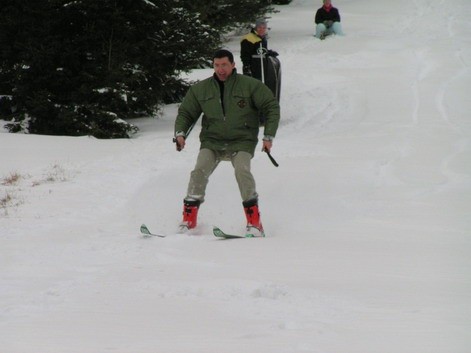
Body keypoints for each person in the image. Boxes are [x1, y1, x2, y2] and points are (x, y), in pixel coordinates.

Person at [174, 49, 280, 236]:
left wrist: (268, 136)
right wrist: (180, 133)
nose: (220, 69)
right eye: (216, 65)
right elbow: (186, 112)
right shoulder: (201, 89)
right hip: (212, 141)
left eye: (224, 65)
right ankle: (188, 220)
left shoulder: (250, 86)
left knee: (242, 171)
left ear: (233, 65)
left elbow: (271, 106)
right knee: (199, 171)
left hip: (242, 141)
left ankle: (255, 223)